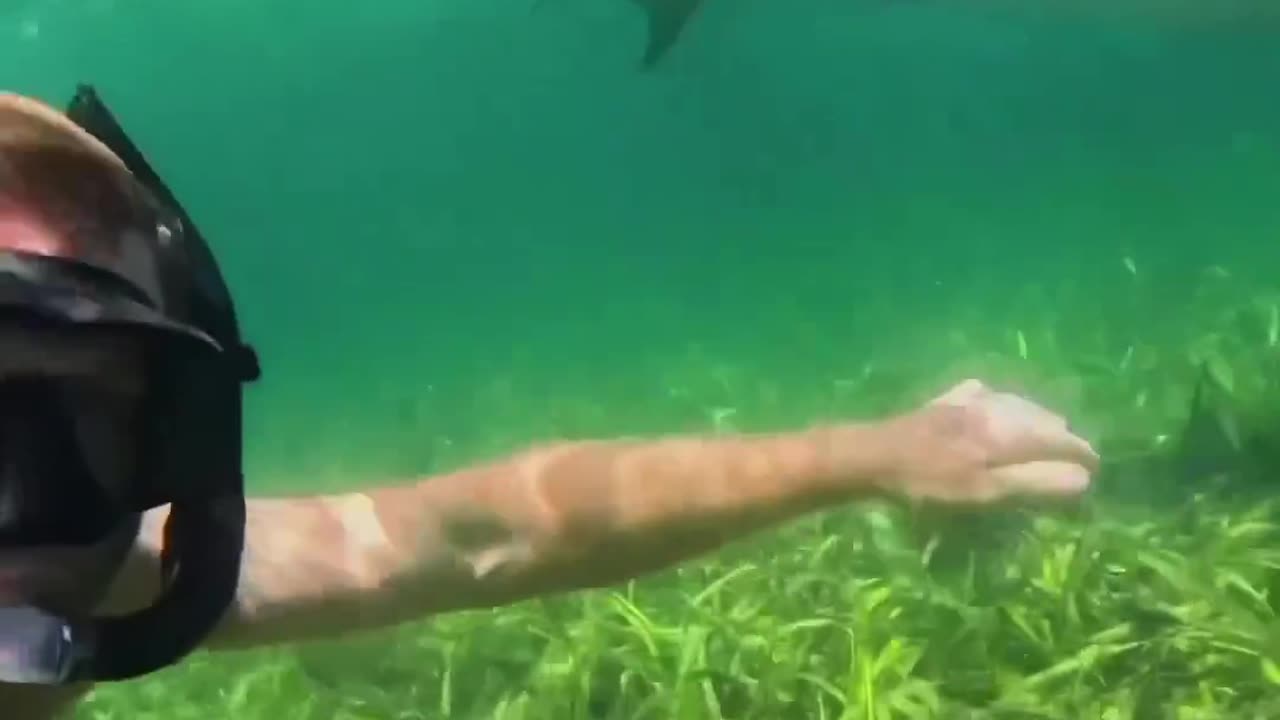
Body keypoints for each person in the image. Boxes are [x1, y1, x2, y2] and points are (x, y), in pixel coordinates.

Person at [0, 86, 1100, 720]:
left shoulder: (124, 569)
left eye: (79, 421)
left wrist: (882, 452)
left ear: (173, 437)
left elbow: (485, 530)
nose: (11, 516)